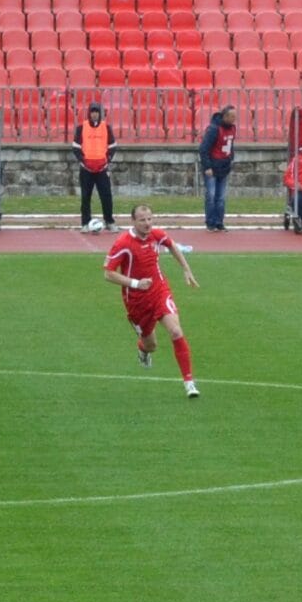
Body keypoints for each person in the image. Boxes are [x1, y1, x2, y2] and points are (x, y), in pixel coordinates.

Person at [104, 204, 201, 398]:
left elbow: (171, 245)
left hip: (159, 290)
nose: (147, 223)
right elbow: (108, 274)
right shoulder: (123, 243)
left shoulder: (156, 234)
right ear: (133, 221)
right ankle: (143, 349)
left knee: (175, 330)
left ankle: (189, 383)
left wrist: (186, 268)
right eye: (142, 220)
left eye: (150, 219)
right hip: (137, 301)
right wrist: (135, 283)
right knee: (151, 345)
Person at [73, 102, 119, 234]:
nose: (94, 114)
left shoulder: (106, 128)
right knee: (85, 197)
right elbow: (75, 147)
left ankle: (109, 221)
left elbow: (112, 146)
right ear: (89, 113)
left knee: (106, 196)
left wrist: (107, 161)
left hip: (102, 169)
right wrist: (82, 161)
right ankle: (85, 223)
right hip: (86, 170)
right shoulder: (81, 128)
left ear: (100, 113)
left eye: (97, 111)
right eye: (92, 111)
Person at [199, 105, 236, 232]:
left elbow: (230, 145)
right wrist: (207, 166)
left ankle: (219, 222)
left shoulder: (232, 128)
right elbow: (203, 149)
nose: (234, 119)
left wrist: (231, 158)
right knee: (211, 195)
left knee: (221, 197)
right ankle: (210, 222)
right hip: (212, 167)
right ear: (225, 116)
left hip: (224, 166)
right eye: (232, 116)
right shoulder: (214, 129)